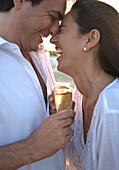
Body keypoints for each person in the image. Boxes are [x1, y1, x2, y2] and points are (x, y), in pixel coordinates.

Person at [0, 0, 76, 169]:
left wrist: (48, 113)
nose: (55, 31)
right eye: (52, 17)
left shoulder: (39, 53)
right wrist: (31, 149)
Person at [50, 0, 119, 169]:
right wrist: (60, 125)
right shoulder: (79, 97)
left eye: (62, 30)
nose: (52, 39)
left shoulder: (112, 109)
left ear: (91, 39)